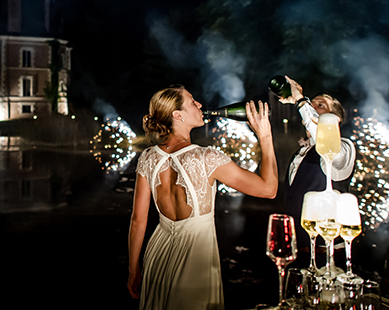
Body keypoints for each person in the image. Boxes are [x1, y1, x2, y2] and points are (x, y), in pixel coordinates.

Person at [127, 86, 278, 310]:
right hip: (195, 258)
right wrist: (264, 136)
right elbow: (269, 189)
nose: (199, 105)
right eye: (192, 102)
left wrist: (133, 270)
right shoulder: (207, 157)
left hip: (157, 254)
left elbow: (138, 220)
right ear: (177, 115)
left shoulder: (147, 157)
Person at [278, 76, 356, 255]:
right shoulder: (302, 151)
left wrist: (300, 101)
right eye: (310, 105)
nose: (311, 109)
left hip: (326, 252)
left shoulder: (343, 148)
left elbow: (325, 139)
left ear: (335, 118)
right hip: (297, 248)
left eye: (320, 105)